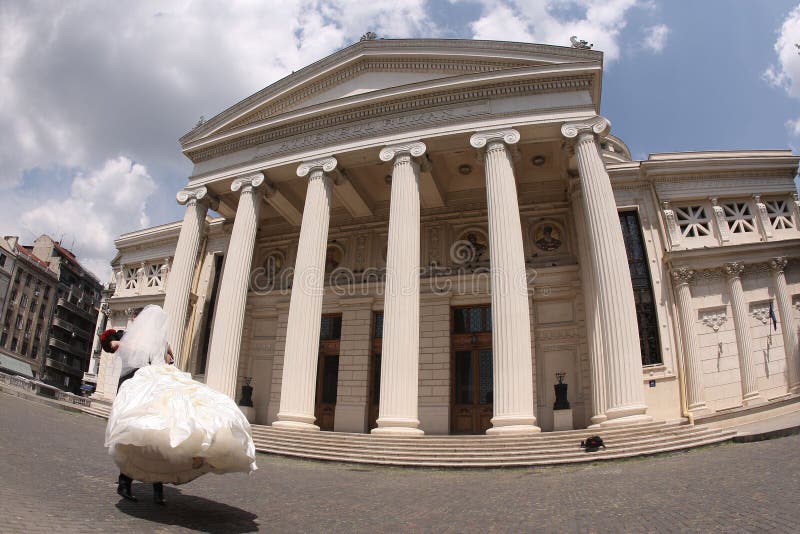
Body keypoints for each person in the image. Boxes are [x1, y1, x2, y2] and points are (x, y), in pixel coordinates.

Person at [102, 305, 257, 506]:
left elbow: (166, 359)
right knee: (141, 433)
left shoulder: (148, 341)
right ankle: (131, 484)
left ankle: (153, 488)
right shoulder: (133, 338)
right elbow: (167, 358)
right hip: (139, 387)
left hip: (153, 385)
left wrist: (123, 346)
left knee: (159, 433)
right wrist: (119, 343)